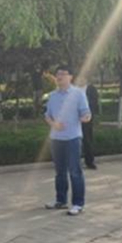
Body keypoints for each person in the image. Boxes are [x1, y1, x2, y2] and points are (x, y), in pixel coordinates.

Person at [44, 65, 92, 216]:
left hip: (73, 138)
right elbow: (47, 115)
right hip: (56, 139)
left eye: (63, 74)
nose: (59, 77)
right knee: (60, 172)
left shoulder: (78, 94)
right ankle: (61, 200)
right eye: (58, 74)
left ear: (70, 77)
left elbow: (86, 113)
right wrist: (53, 124)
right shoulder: (53, 95)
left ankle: (78, 204)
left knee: (75, 171)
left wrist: (86, 117)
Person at [82, 81, 99, 170]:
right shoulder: (72, 89)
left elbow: (94, 103)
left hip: (87, 118)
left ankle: (89, 161)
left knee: (87, 139)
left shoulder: (91, 89)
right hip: (73, 119)